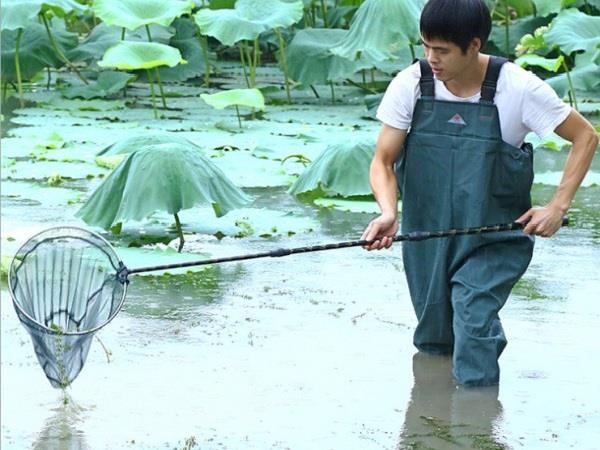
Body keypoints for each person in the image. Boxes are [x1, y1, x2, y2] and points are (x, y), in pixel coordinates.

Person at [361, 0, 598, 386]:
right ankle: (433, 423)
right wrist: (389, 212)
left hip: (495, 238)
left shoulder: (518, 88)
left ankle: (478, 426)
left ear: (473, 45)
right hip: (427, 236)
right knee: (435, 340)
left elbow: (585, 136)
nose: (431, 58)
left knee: (471, 317)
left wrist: (558, 205)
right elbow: (382, 161)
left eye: (442, 50)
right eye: (425, 46)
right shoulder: (411, 85)